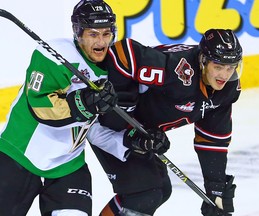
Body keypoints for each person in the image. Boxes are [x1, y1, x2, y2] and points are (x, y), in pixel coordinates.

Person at [87, 28, 243, 215]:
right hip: (101, 117)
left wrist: (215, 189)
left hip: (135, 131)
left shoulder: (227, 89)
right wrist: (122, 115)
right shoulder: (177, 70)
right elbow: (123, 53)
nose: (224, 76)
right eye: (218, 67)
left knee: (160, 189)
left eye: (230, 67)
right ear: (203, 61)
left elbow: (212, 140)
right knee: (145, 192)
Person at [0, 0, 119, 215]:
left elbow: (100, 127)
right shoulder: (53, 56)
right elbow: (41, 106)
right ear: (78, 32)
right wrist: (84, 103)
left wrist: (132, 140)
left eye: (106, 33)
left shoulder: (116, 67)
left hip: (69, 166)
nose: (101, 41)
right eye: (93, 34)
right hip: (19, 156)